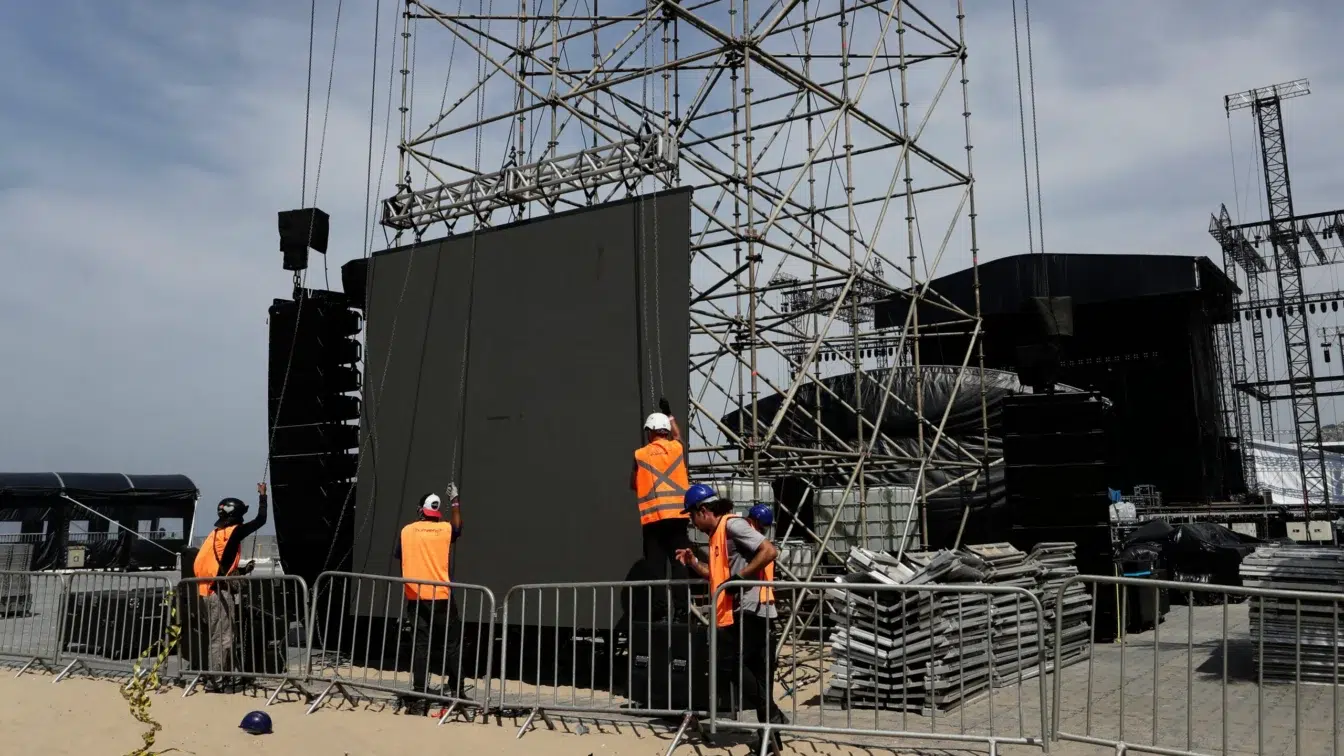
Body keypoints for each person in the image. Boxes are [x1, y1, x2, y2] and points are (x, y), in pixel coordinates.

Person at [676, 485, 787, 754]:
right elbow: (716, 576)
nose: (692, 522)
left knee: (728, 664)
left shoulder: (732, 525)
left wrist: (740, 579)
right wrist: (693, 562)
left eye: (692, 515)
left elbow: (769, 551)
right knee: (757, 675)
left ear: (703, 510)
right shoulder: (718, 536)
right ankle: (770, 741)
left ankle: (772, 715)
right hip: (742, 612)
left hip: (750, 611)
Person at [394, 485, 463, 716]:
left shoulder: (407, 531)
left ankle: (419, 695)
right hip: (441, 596)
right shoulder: (444, 529)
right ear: (436, 511)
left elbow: (400, 555)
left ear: (420, 510)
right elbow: (458, 526)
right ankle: (457, 693)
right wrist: (455, 501)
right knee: (451, 646)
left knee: (421, 646)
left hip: (416, 597)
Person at [192, 482, 268, 690]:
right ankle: (216, 681)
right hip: (218, 593)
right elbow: (261, 520)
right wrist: (263, 496)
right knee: (223, 638)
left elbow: (220, 566)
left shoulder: (216, 534)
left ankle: (224, 676)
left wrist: (241, 570)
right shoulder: (233, 532)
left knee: (220, 636)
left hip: (206, 591)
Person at [631, 398, 692, 582]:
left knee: (655, 567)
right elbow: (678, 436)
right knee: (680, 562)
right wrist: (669, 414)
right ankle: (681, 601)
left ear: (650, 432)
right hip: (678, 517)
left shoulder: (640, 455)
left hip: (653, 519)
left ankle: (658, 601)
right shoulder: (676, 448)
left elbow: (633, 484)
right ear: (666, 431)